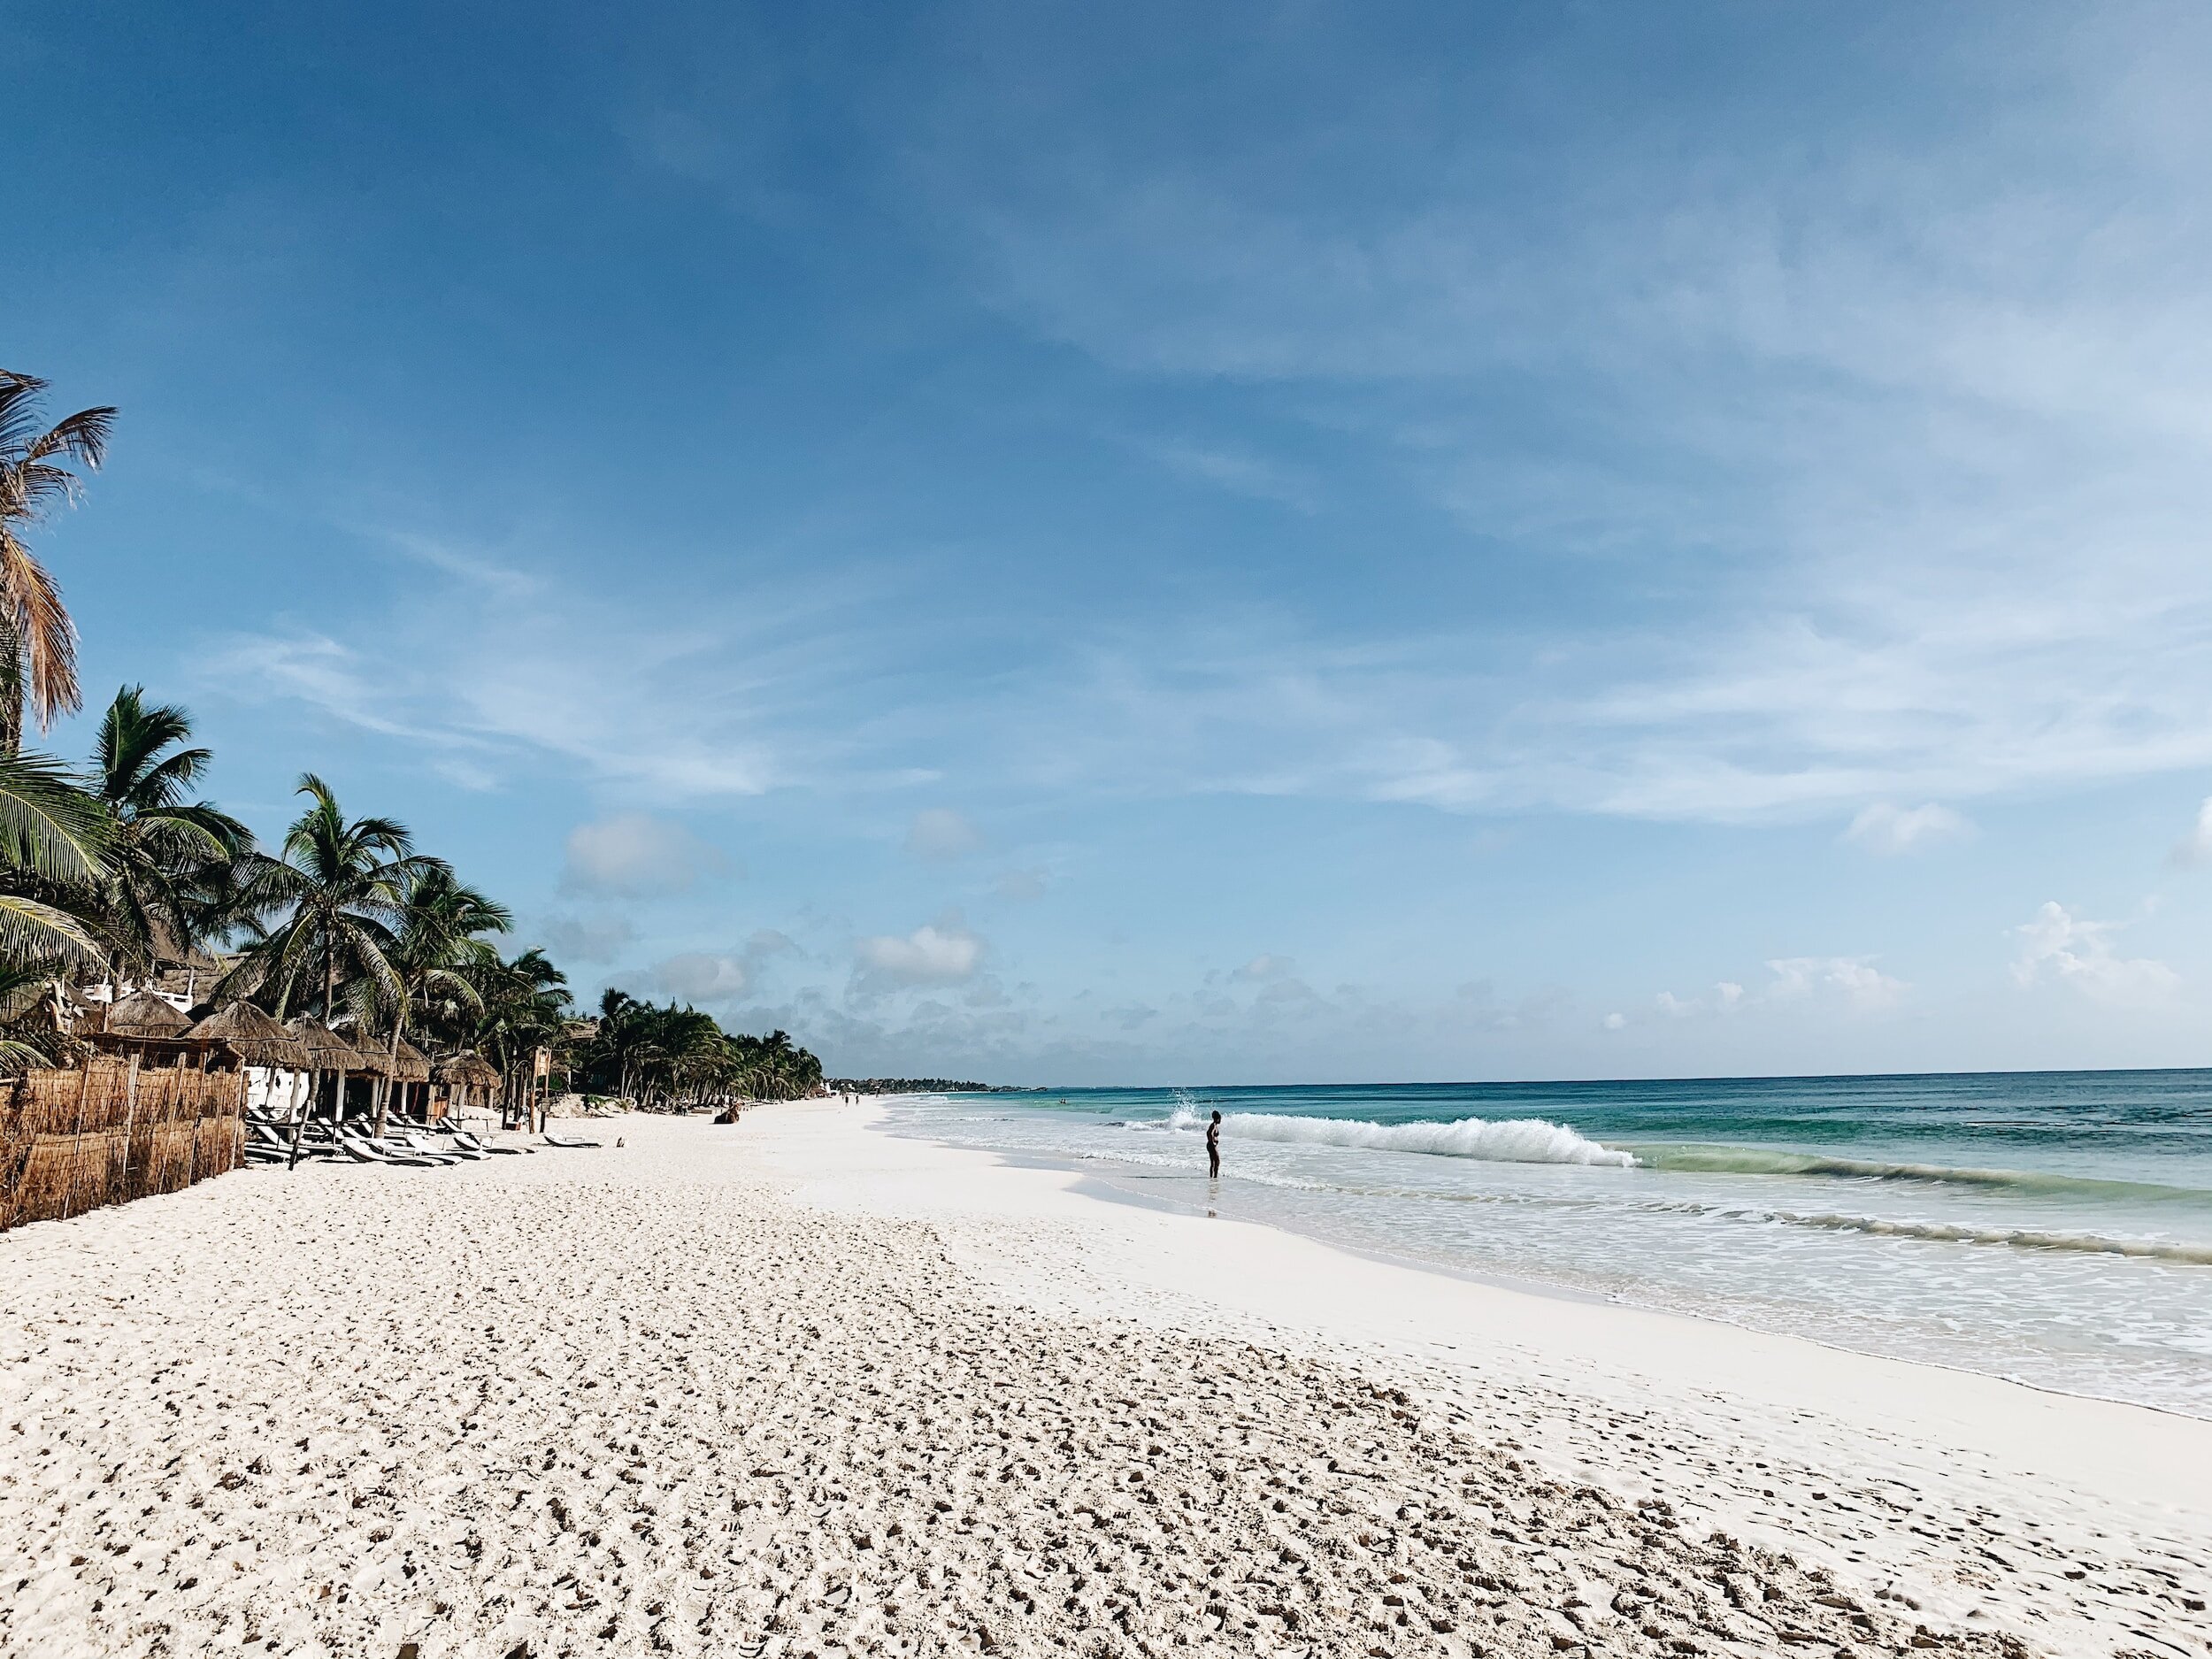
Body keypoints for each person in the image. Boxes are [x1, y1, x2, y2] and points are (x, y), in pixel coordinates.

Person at [1206, 1110, 1222, 1179]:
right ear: (1217, 1118)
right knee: (1217, 1161)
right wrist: (1213, 1142)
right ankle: (1215, 1177)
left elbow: (1209, 1133)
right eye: (1220, 1118)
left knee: (1213, 1162)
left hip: (1210, 1145)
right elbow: (1210, 1133)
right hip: (1212, 1145)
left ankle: (1211, 1177)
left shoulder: (1213, 1125)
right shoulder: (1213, 1125)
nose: (1220, 1120)